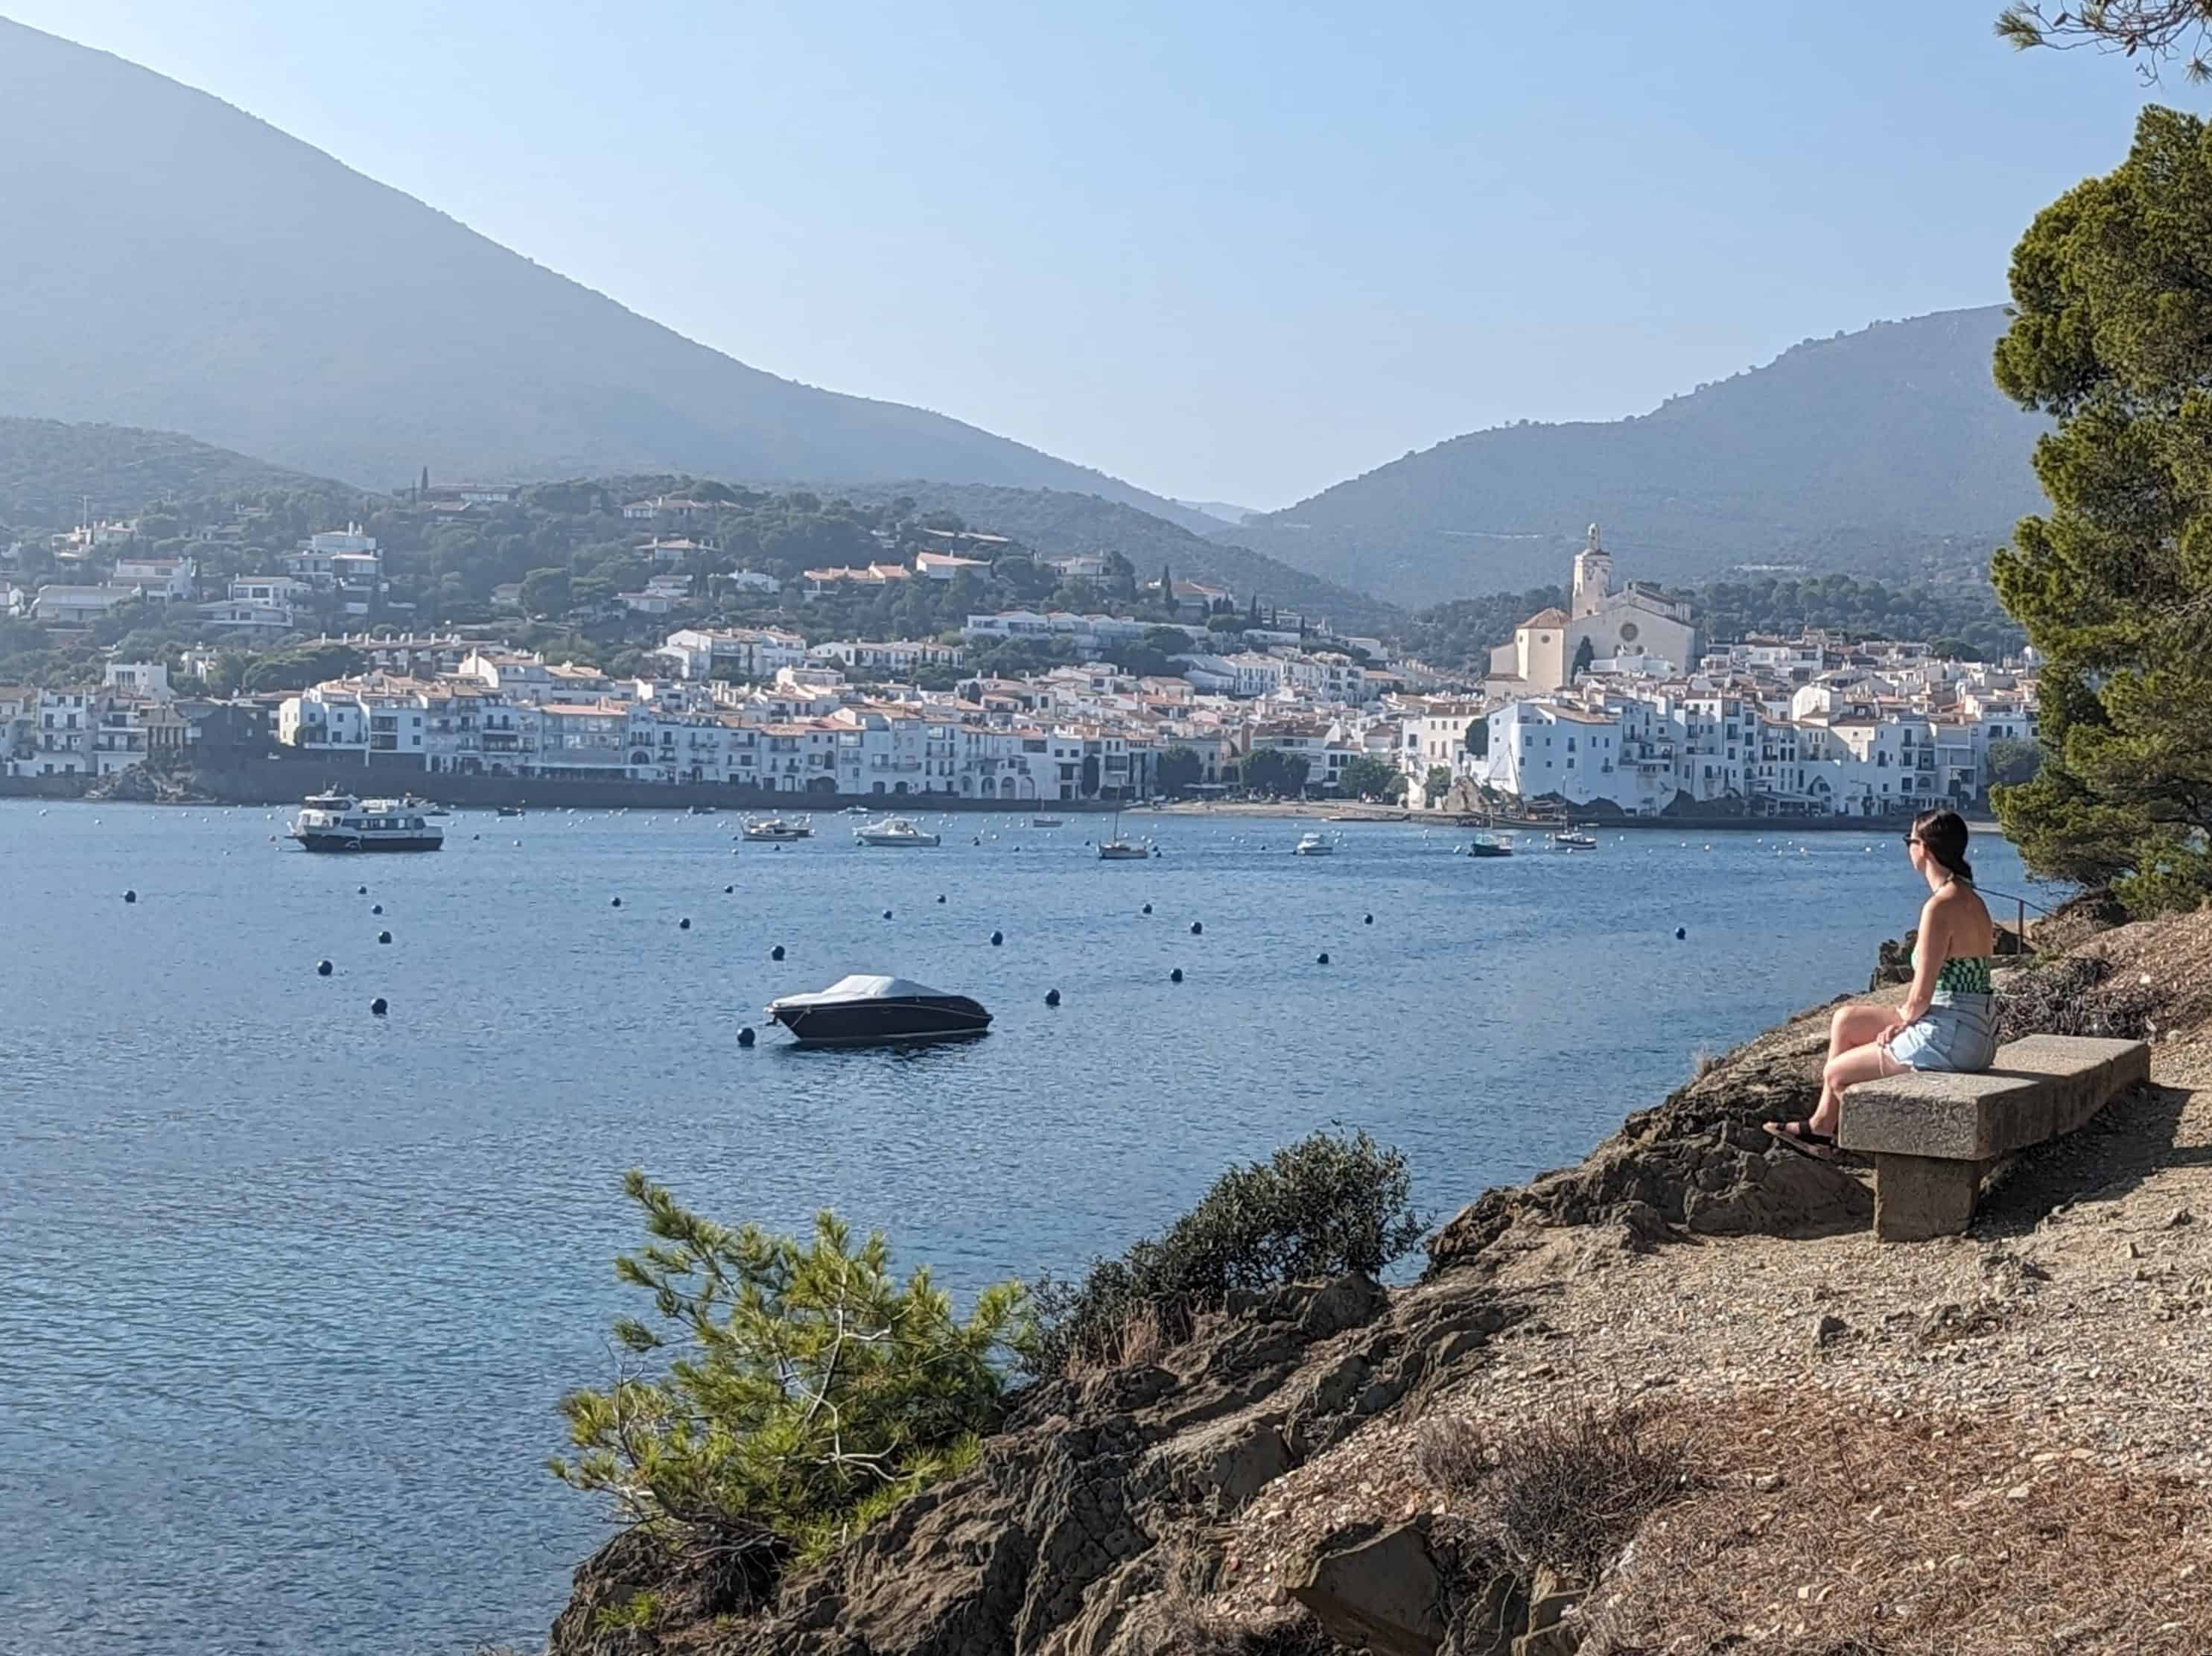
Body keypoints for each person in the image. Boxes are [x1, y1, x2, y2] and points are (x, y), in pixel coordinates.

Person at [1767, 808, 1998, 1158]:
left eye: (1910, 841)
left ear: (1925, 849)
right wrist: (1908, 1020)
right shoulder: (1971, 898)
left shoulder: (1940, 907)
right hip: (1972, 1027)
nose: (1909, 848)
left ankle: (1893, 1148)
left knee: (1836, 1075)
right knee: (1846, 1020)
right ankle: (1821, 1129)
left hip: (1952, 1037)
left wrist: (1903, 1026)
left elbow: (1920, 996)